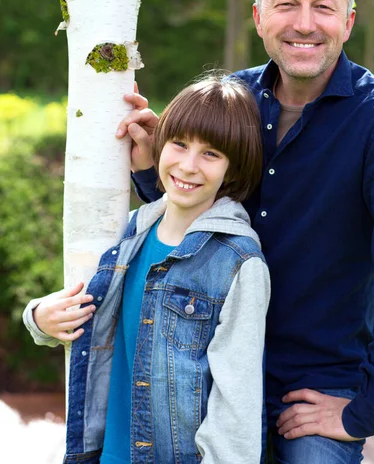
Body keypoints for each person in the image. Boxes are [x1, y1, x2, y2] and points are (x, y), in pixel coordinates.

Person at [117, 0, 374, 464]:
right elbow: (199, 220)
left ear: (348, 21)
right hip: (201, 371)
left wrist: (365, 410)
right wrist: (158, 168)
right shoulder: (230, 102)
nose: (305, 23)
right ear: (258, 17)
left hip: (313, 391)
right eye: (286, 4)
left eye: (323, 6)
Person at [23, 75, 271, 464]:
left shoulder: (238, 262)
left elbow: (236, 405)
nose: (188, 166)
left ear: (234, 170)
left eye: (211, 154)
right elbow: (82, 312)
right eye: (180, 144)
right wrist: (39, 317)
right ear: (161, 145)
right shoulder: (130, 232)